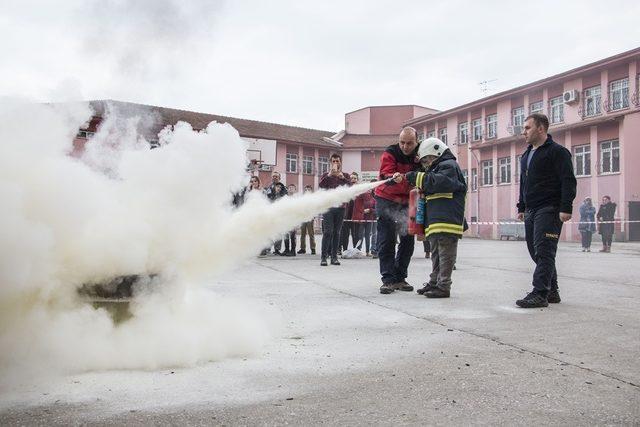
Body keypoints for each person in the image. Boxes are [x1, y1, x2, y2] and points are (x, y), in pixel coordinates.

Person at [516, 113, 576, 308]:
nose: (523, 132)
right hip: (531, 209)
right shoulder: (526, 155)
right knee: (536, 252)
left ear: (540, 128)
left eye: (527, 128)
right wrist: (522, 206)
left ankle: (540, 292)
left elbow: (568, 180)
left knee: (544, 251)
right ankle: (552, 291)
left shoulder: (558, 152)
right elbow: (523, 183)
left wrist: (566, 207)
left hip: (550, 208)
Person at [406, 138, 467, 298]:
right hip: (437, 219)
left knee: (445, 253)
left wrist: (416, 177)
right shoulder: (439, 167)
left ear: (436, 152)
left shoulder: (449, 165)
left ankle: (444, 286)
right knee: (436, 253)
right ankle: (435, 282)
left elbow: (440, 182)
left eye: (427, 159)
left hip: (447, 220)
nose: (426, 163)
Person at [375, 127, 420, 294]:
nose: (405, 146)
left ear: (416, 142)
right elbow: (385, 174)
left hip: (408, 199)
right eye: (402, 142)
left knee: (408, 239)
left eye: (409, 143)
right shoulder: (390, 152)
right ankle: (388, 279)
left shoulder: (420, 154)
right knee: (386, 238)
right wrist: (393, 178)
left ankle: (400, 278)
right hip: (386, 198)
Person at [319, 153, 351, 266]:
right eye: (333, 161)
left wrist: (344, 178)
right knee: (328, 232)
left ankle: (334, 257)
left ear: (341, 162)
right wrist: (328, 175)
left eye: (337, 161)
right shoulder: (325, 175)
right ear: (330, 162)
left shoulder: (346, 175)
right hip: (328, 207)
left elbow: (352, 187)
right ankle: (323, 257)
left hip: (341, 208)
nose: (335, 163)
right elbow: (321, 186)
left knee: (337, 233)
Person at [264, 171, 288, 255]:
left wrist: (278, 193)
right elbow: (268, 197)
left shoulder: (283, 187)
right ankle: (267, 248)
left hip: (279, 212)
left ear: (279, 178)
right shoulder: (270, 187)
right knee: (269, 230)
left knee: (278, 231)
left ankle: (277, 249)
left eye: (276, 177)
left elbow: (285, 198)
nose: (274, 178)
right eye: (273, 176)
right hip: (270, 212)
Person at [352, 175, 376, 255]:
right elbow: (357, 206)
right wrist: (362, 211)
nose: (368, 190)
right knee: (360, 236)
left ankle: (367, 251)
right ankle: (358, 250)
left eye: (369, 189)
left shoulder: (373, 199)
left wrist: (370, 210)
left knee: (368, 236)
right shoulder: (361, 197)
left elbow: (376, 210)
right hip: (361, 219)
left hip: (370, 220)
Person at [298, 185, 317, 255]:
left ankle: (313, 248)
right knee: (302, 234)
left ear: (311, 191)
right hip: (303, 218)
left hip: (310, 218)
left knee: (311, 234)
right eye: (306, 190)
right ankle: (302, 249)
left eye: (309, 189)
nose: (307, 191)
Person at [283, 184, 298, 256]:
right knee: (285, 235)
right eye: (289, 188)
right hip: (285, 219)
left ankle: (293, 250)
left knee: (292, 235)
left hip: (293, 220)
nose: (291, 189)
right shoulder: (285, 198)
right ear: (287, 189)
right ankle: (286, 249)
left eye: (293, 188)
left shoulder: (297, 199)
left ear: (295, 190)